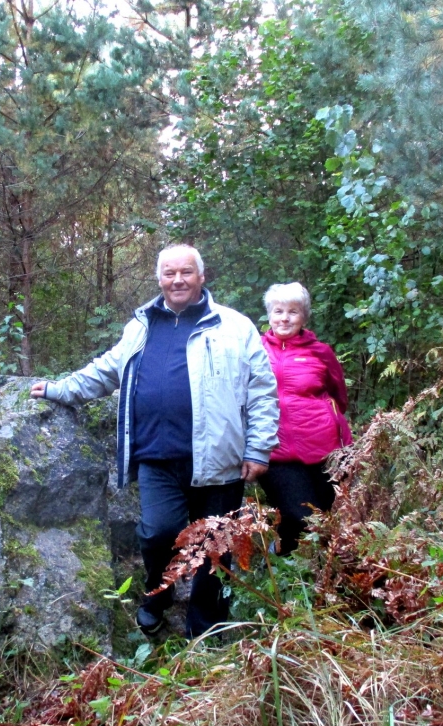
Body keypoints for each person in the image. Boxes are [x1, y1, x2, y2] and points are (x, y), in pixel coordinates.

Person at [30, 245, 278, 638]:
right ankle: (158, 594)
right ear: (159, 278)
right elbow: (107, 369)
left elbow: (262, 390)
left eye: (185, 272)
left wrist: (259, 448)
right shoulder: (141, 325)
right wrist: (59, 390)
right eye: (168, 273)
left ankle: (205, 624)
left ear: (201, 276)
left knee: (216, 543)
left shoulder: (234, 326)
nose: (177, 280)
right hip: (157, 457)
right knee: (157, 533)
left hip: (219, 459)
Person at [258, 283, 351, 555]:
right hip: (275, 451)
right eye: (278, 311)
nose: (284, 318)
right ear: (269, 315)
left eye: (293, 312)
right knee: (299, 517)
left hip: (323, 448)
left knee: (324, 517)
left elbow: (339, 396)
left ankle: (318, 580)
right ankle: (280, 554)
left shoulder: (320, 352)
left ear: (304, 317)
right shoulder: (254, 350)